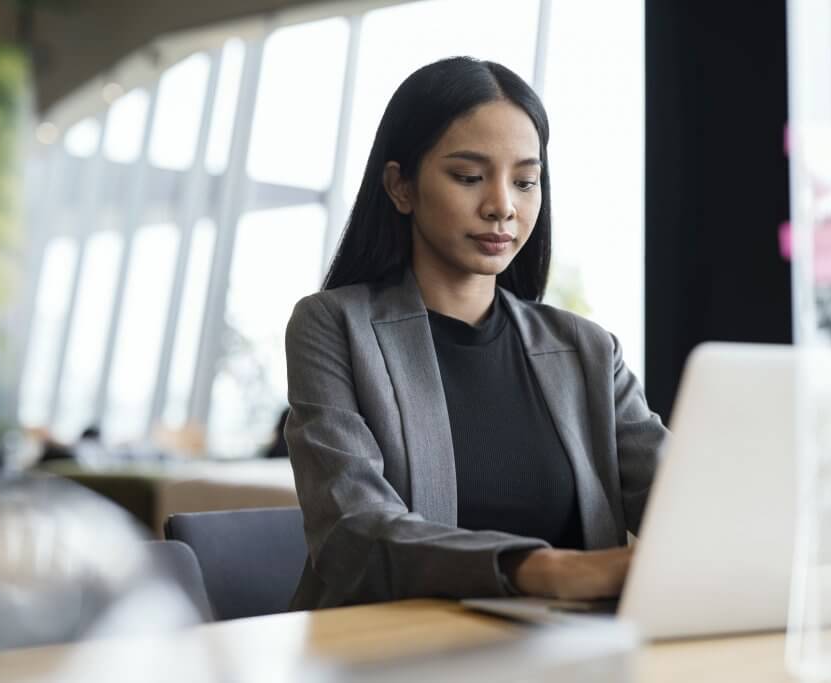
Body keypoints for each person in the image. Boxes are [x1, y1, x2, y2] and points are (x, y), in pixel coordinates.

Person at [284, 57, 668, 610]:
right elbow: (355, 532)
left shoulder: (587, 348)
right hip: (389, 654)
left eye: (525, 181)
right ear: (400, 187)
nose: (502, 207)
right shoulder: (334, 326)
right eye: (468, 177)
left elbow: (682, 503)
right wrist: (546, 570)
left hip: (565, 656)